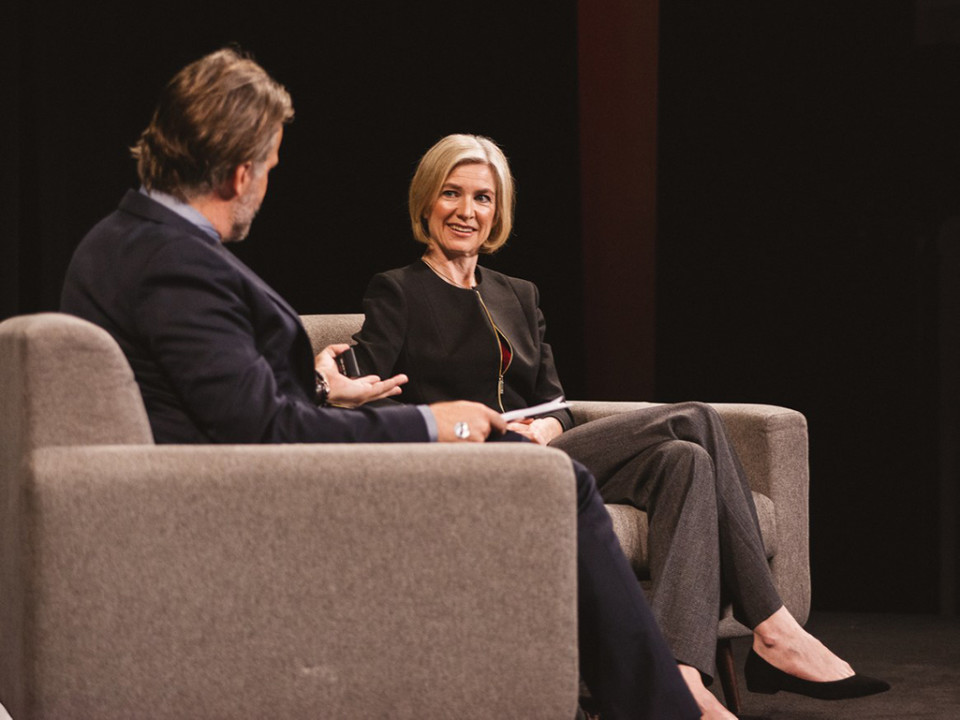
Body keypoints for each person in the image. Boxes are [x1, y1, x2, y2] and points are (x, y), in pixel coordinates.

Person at [59, 50, 700, 719]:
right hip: (259, 506)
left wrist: (330, 393)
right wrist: (441, 423)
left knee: (605, 462)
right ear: (241, 172)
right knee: (554, 483)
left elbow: (230, 405)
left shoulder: (119, 239)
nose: (268, 184)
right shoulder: (174, 265)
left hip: (239, 479)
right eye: (271, 168)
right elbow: (266, 433)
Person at [351, 133, 892, 719]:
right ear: (426, 201)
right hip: (474, 464)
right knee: (696, 419)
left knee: (687, 461)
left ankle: (680, 678)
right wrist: (333, 383)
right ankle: (774, 626)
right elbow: (358, 376)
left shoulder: (518, 294)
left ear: (498, 211)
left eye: (482, 198)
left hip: (542, 454)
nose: (466, 211)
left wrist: (548, 432)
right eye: (451, 194)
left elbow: (556, 402)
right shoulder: (398, 291)